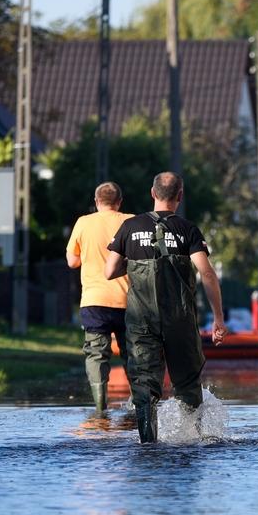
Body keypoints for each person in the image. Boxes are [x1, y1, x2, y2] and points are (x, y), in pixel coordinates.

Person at [104, 172, 227, 444]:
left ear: (152, 193)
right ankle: (191, 440)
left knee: (145, 385)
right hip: (180, 320)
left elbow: (109, 270)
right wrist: (218, 317)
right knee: (187, 381)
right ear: (180, 196)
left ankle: (148, 443)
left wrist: (134, 259)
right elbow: (206, 274)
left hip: (141, 319)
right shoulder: (188, 229)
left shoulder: (130, 227)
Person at [66, 182, 134, 415]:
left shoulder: (83, 223)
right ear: (120, 202)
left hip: (94, 300)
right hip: (128, 301)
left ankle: (100, 407)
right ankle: (137, 405)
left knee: (96, 353)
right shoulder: (131, 221)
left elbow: (72, 261)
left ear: (96, 201)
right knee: (132, 352)